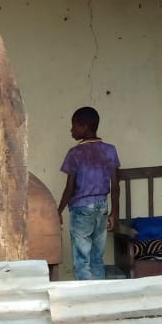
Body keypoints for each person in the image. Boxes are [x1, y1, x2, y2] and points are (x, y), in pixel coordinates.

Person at [57, 106, 121, 281]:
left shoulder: (75, 153)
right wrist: (114, 212)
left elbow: (69, 188)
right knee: (96, 258)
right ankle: (99, 299)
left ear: (84, 126)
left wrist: (58, 211)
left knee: (82, 259)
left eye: (74, 126)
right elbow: (115, 186)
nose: (71, 130)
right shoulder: (110, 150)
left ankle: (85, 302)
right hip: (102, 207)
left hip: (81, 210)